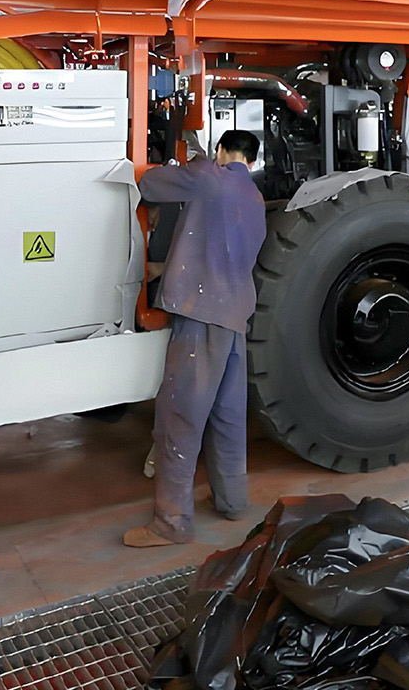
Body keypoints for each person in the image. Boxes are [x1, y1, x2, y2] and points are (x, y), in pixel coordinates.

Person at [123, 129, 268, 547]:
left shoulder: (208, 177)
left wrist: (187, 162)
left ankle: (171, 523)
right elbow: (217, 246)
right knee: (228, 416)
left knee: (179, 419)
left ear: (221, 151)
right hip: (234, 316)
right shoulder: (255, 198)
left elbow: (149, 183)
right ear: (252, 161)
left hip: (200, 314)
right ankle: (232, 501)